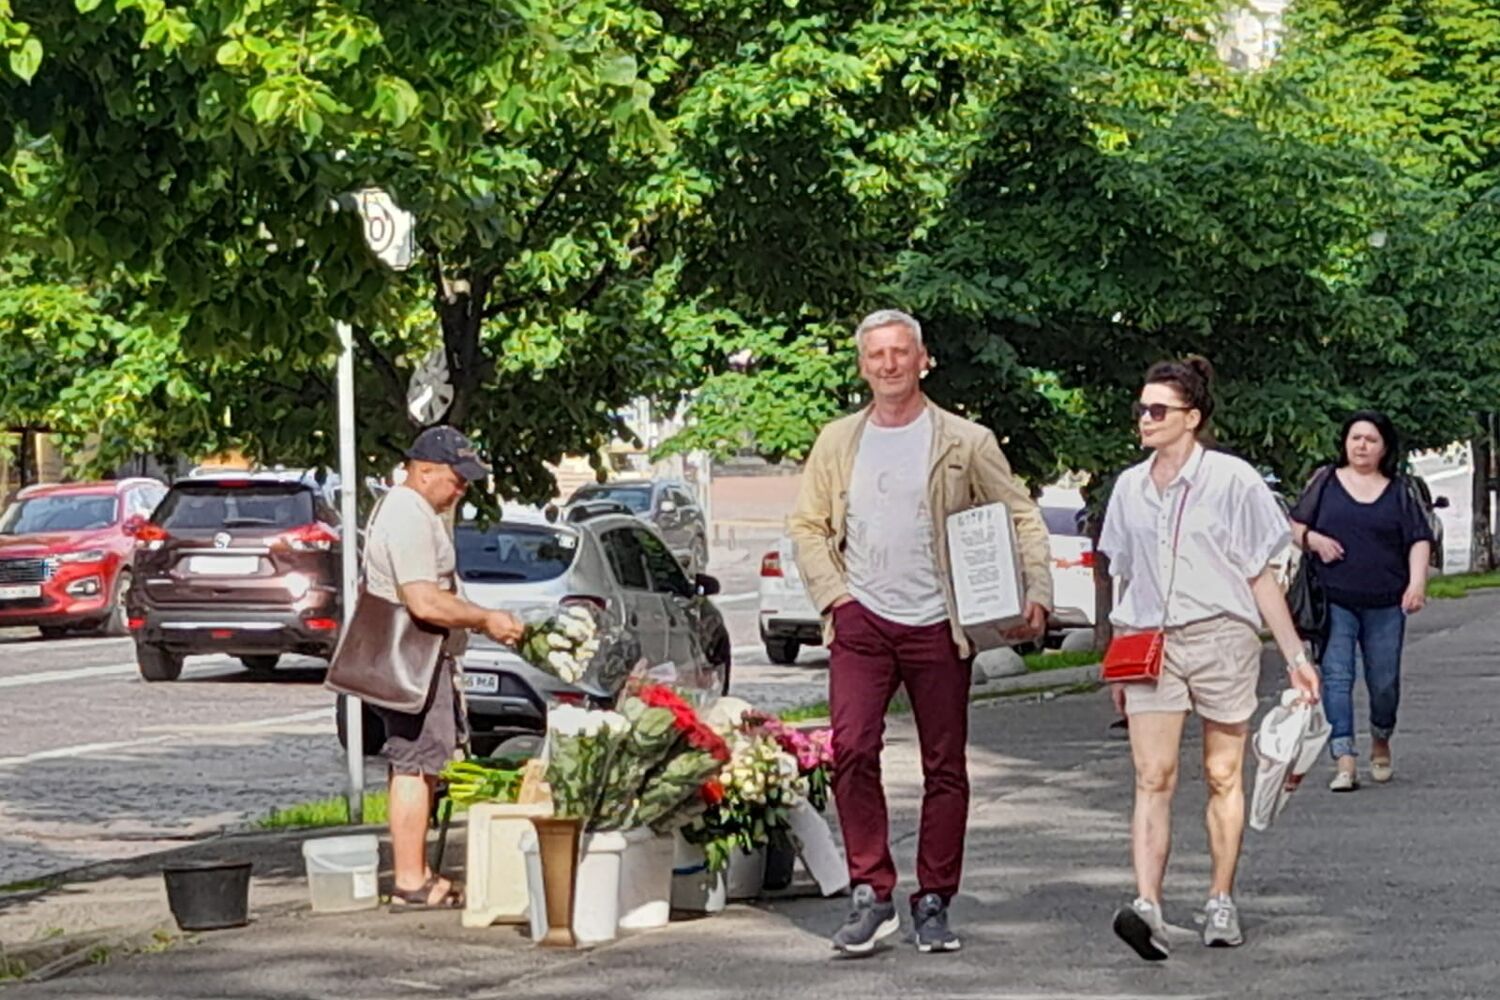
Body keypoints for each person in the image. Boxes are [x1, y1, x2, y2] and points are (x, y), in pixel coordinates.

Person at [788, 309, 1053, 955]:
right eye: (876, 354)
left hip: (939, 623)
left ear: (923, 360)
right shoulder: (838, 441)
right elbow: (808, 526)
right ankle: (870, 892)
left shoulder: (964, 440)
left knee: (944, 765)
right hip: (862, 621)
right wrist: (838, 600)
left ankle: (934, 898)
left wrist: (1038, 592)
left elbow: (1020, 515)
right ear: (862, 366)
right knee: (852, 749)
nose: (889, 364)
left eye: (900, 352)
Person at [1098, 357, 1321, 961]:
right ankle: (1148, 905)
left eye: (1158, 409)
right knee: (1153, 775)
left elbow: (1259, 575)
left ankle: (1221, 897)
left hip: (1222, 637)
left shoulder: (1233, 480)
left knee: (1223, 774)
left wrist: (1295, 656)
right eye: (1141, 408)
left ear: (1191, 417)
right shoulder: (1129, 487)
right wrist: (1118, 654)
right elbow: (1126, 576)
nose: (1145, 418)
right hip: (1151, 643)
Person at [364, 426, 523, 910]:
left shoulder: (417, 511)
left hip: (422, 657)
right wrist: (484, 618)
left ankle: (417, 871)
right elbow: (424, 601)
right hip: (414, 658)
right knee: (415, 763)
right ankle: (410, 880)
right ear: (424, 471)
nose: (463, 489)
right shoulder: (408, 514)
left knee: (422, 762)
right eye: (457, 479)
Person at [1288, 410, 1432, 791]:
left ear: (1384, 448)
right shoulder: (1325, 482)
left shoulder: (1399, 491)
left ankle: (1381, 739)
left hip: (1386, 602)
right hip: (1334, 599)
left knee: (1383, 681)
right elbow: (1294, 526)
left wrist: (1416, 583)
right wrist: (1314, 540)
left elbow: (1419, 539)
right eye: (1355, 438)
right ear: (1345, 443)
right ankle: (1344, 759)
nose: (1362, 446)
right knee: (1337, 676)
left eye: (1370, 439)